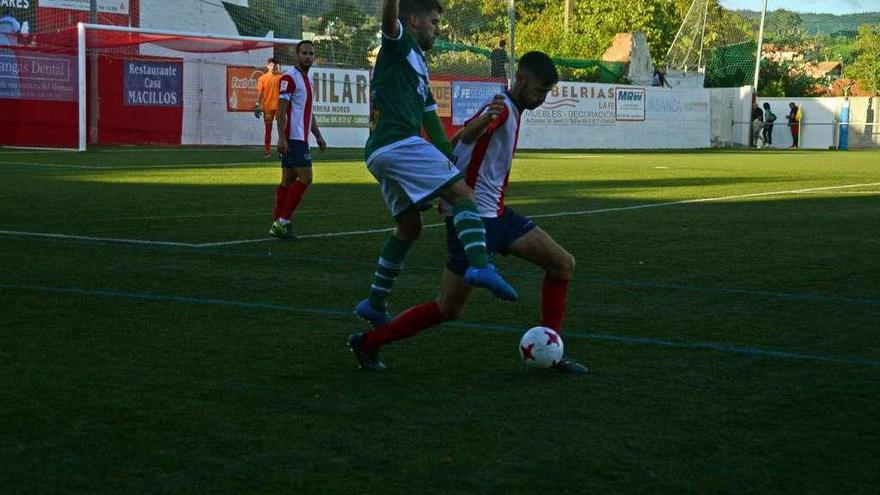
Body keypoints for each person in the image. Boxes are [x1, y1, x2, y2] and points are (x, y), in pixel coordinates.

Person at [349, 51, 589, 374]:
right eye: (539, 91)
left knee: (563, 263)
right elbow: (475, 131)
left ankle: (551, 348)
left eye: (547, 93)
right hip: (473, 221)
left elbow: (460, 137)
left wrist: (454, 151)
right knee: (448, 308)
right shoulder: (501, 108)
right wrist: (483, 122)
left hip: (499, 217)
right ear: (521, 79)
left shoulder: (507, 106)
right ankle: (367, 342)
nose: (542, 98)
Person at [354, 0, 518, 328]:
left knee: (410, 227)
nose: (438, 28)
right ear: (413, 19)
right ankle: (479, 264)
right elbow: (389, 21)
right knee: (464, 195)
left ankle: (374, 302)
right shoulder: (399, 44)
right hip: (398, 143)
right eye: (434, 21)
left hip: (380, 153)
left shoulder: (420, 66)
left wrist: (449, 157)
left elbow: (435, 129)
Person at [269, 41, 327, 239]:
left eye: (311, 54)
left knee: (288, 180)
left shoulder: (308, 81)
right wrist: (281, 138)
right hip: (293, 138)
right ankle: (283, 221)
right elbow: (281, 110)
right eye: (304, 53)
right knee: (306, 178)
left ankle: (277, 222)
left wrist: (317, 135)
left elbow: (308, 113)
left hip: (301, 137)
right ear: (297, 55)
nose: (308, 57)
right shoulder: (289, 77)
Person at [255, 58, 283, 159]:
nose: (272, 67)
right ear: (267, 66)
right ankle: (267, 152)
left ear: (276, 66)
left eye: (274, 65)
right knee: (268, 130)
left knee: (281, 130)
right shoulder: (262, 78)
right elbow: (259, 93)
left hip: (279, 107)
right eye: (271, 65)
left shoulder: (281, 77)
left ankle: (281, 151)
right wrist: (257, 104)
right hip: (267, 107)